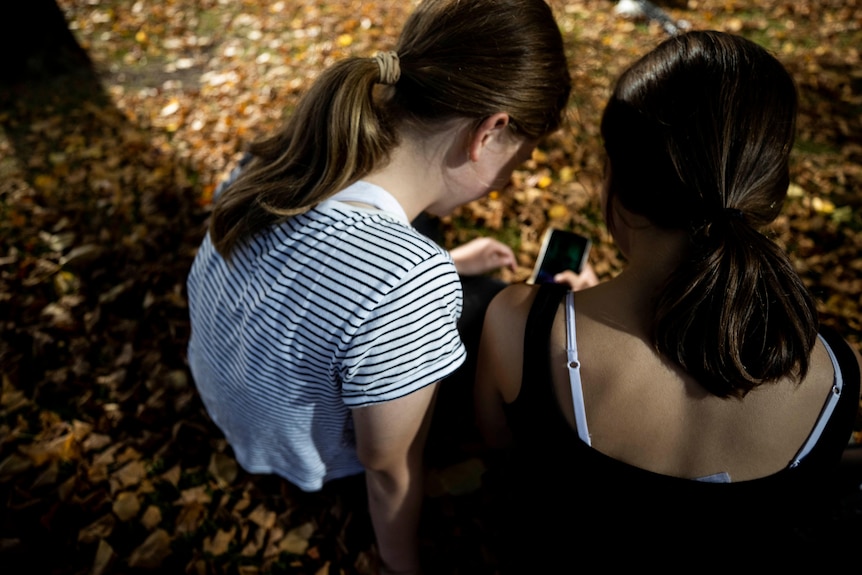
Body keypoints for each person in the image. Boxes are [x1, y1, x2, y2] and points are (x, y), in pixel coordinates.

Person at [185, 1, 573, 572]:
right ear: (490, 131)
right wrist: (402, 563)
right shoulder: (407, 281)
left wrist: (445, 261)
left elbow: (320, 273)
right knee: (496, 315)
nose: (504, 184)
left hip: (236, 401)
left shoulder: (277, 161)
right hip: (306, 459)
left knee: (455, 282)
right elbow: (386, 465)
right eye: (518, 161)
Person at [474, 30, 862, 569]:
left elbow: (500, 451)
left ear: (614, 180)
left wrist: (574, 316)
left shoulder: (517, 326)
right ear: (771, 189)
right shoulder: (835, 374)